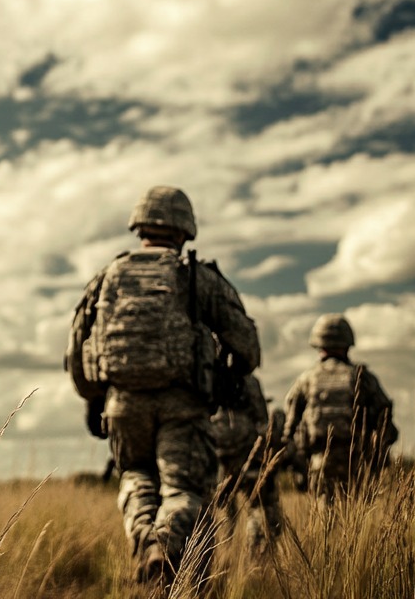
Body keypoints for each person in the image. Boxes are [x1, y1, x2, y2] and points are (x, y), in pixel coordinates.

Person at [66, 186, 260, 584]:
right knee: (184, 489)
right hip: (183, 405)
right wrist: (230, 373)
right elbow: (248, 347)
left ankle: (144, 541)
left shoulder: (108, 276)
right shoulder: (196, 276)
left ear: (139, 225)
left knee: (135, 476)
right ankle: (164, 543)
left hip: (122, 403)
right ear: (185, 229)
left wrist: (93, 398)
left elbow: (75, 349)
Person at [282, 314, 396, 505]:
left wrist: (298, 460)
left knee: (324, 517)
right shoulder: (361, 377)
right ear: (347, 343)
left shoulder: (306, 379)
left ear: (319, 344)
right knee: (354, 518)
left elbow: (289, 427)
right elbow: (385, 422)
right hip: (355, 461)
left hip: (319, 462)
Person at [205, 374, 284, 556]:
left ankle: (223, 557)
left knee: (224, 509)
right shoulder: (249, 381)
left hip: (216, 455)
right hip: (246, 453)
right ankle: (256, 558)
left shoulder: (207, 375)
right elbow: (263, 424)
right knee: (259, 505)